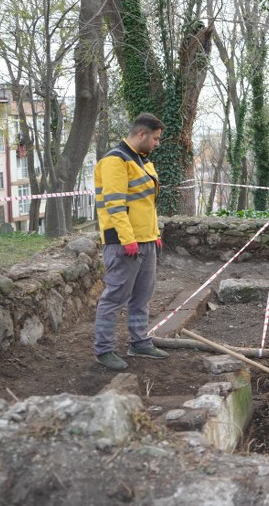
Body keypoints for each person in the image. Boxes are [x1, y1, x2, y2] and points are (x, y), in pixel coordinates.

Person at [93, 113, 169, 371]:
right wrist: (128, 240)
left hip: (145, 240)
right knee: (114, 297)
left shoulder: (142, 161)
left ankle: (139, 342)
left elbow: (146, 204)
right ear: (141, 134)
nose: (157, 144)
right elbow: (114, 205)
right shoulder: (115, 160)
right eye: (156, 139)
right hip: (125, 243)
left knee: (141, 296)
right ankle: (103, 350)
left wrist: (155, 234)